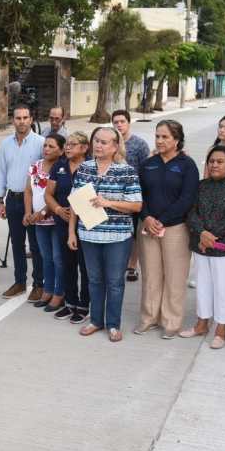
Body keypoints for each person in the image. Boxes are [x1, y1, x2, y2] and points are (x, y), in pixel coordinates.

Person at [67, 127, 143, 342]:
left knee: (115, 281)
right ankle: (96, 320)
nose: (98, 145)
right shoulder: (84, 168)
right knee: (94, 279)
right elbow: (75, 202)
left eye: (104, 142)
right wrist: (71, 231)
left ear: (115, 147)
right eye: (96, 141)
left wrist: (108, 202)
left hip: (117, 237)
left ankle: (113, 324)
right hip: (89, 235)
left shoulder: (126, 170)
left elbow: (136, 205)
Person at [135, 120, 199, 339]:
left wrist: (161, 219)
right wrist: (147, 218)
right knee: (151, 276)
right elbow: (138, 195)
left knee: (175, 277)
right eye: (157, 136)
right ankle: (149, 318)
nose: (160, 141)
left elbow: (188, 198)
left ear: (177, 140)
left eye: (165, 137)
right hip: (148, 227)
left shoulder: (187, 165)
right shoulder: (148, 164)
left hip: (175, 228)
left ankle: (171, 322)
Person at [180, 145, 225, 348]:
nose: (214, 165)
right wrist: (201, 233)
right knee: (203, 285)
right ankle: (202, 323)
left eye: (220, 162)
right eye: (211, 161)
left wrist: (210, 235)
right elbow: (191, 213)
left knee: (223, 288)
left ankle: (221, 329)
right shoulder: (201, 186)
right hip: (201, 245)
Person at [0, 104, 45, 300]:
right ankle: (19, 282)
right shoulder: (6, 144)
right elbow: (1, 172)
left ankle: (39, 284)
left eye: (25, 118)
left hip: (33, 201)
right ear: (13, 120)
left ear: (31, 120)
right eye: (18, 118)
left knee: (35, 245)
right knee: (17, 244)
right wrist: (0, 200)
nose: (22, 121)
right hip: (13, 199)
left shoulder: (41, 143)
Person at [47, 131, 90, 323]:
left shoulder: (91, 167)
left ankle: (84, 304)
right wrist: (57, 209)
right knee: (67, 264)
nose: (68, 147)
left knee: (86, 265)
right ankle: (70, 302)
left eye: (73, 144)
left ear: (84, 148)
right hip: (63, 223)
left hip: (87, 223)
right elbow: (49, 194)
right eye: (68, 144)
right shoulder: (59, 166)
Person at [25, 133, 66, 311]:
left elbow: (56, 196)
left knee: (58, 258)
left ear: (61, 150)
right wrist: (28, 213)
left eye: (51, 146)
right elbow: (28, 191)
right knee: (46, 257)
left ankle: (59, 292)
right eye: (45, 146)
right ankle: (47, 290)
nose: (47, 149)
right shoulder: (36, 166)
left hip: (55, 220)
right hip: (38, 221)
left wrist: (43, 212)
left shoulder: (61, 168)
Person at [112, 109, 150, 282]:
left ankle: (132, 265)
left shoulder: (139, 144)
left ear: (128, 123)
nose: (119, 125)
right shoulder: (110, 143)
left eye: (122, 121)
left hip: (134, 195)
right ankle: (117, 263)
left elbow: (147, 168)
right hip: (113, 196)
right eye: (116, 122)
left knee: (133, 232)